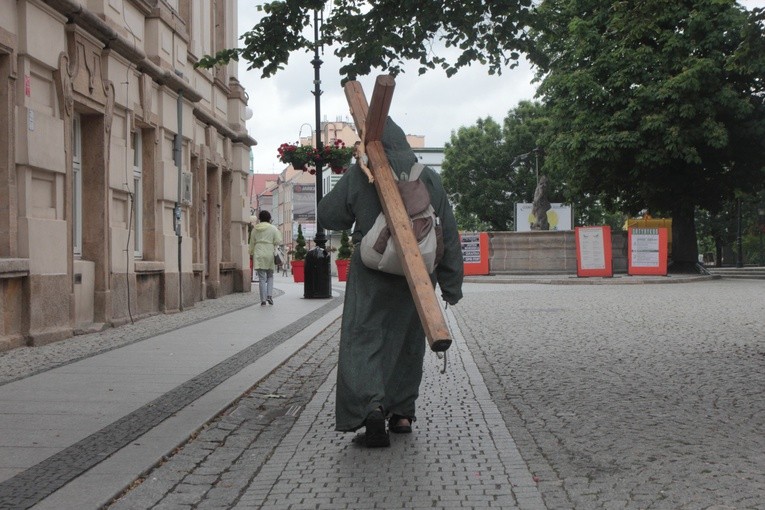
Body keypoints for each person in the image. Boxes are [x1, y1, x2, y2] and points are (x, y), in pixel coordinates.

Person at [318, 117, 463, 447]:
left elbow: (329, 215)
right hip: (418, 273)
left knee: (364, 338)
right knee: (407, 342)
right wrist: (452, 285)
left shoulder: (362, 173)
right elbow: (449, 234)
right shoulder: (428, 177)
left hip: (371, 271)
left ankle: (371, 407)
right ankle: (401, 413)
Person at [249, 210, 283, 306]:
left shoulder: (255, 229)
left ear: (259, 219)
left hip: (258, 252)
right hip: (269, 251)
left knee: (262, 278)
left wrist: (251, 252)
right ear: (269, 218)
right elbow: (278, 241)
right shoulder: (273, 228)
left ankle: (263, 300)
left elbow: (251, 243)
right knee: (270, 275)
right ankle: (269, 296)